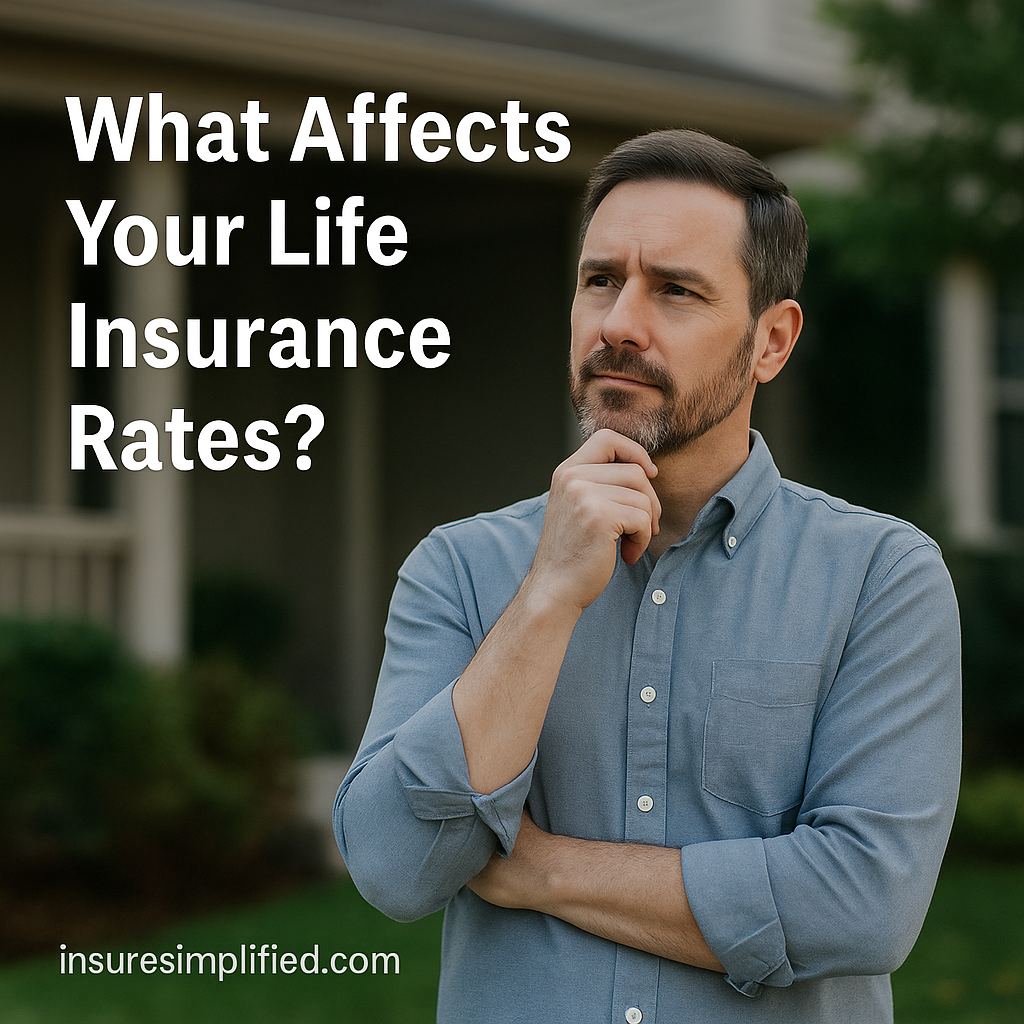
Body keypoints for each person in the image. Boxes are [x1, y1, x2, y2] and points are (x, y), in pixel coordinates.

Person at [333, 129, 961, 1023]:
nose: (619, 323)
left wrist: (542, 870)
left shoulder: (878, 579)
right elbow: (396, 867)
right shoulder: (462, 571)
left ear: (771, 341)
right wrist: (548, 597)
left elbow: (863, 904)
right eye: (600, 281)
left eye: (675, 290)